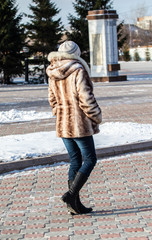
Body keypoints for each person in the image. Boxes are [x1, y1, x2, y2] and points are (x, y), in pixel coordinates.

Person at [46, 41, 102, 215]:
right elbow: (86, 99)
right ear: (76, 53)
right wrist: (96, 116)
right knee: (90, 159)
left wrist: (60, 113)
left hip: (63, 124)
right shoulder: (78, 70)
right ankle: (71, 196)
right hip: (79, 124)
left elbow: (52, 99)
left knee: (75, 161)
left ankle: (75, 205)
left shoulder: (53, 71)